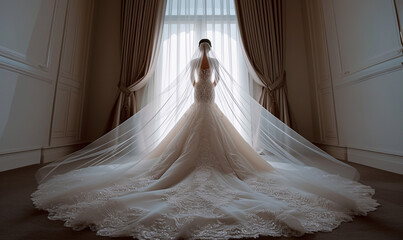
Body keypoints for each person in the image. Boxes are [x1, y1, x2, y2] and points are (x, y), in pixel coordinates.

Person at [32, 39, 378, 239]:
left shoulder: (205, 61)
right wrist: (206, 77)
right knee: (189, 147)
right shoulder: (205, 62)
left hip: (204, 104)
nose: (204, 51)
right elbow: (206, 83)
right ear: (205, 49)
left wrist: (204, 76)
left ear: (204, 49)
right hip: (204, 104)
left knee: (213, 146)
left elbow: (203, 83)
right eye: (205, 47)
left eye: (204, 47)